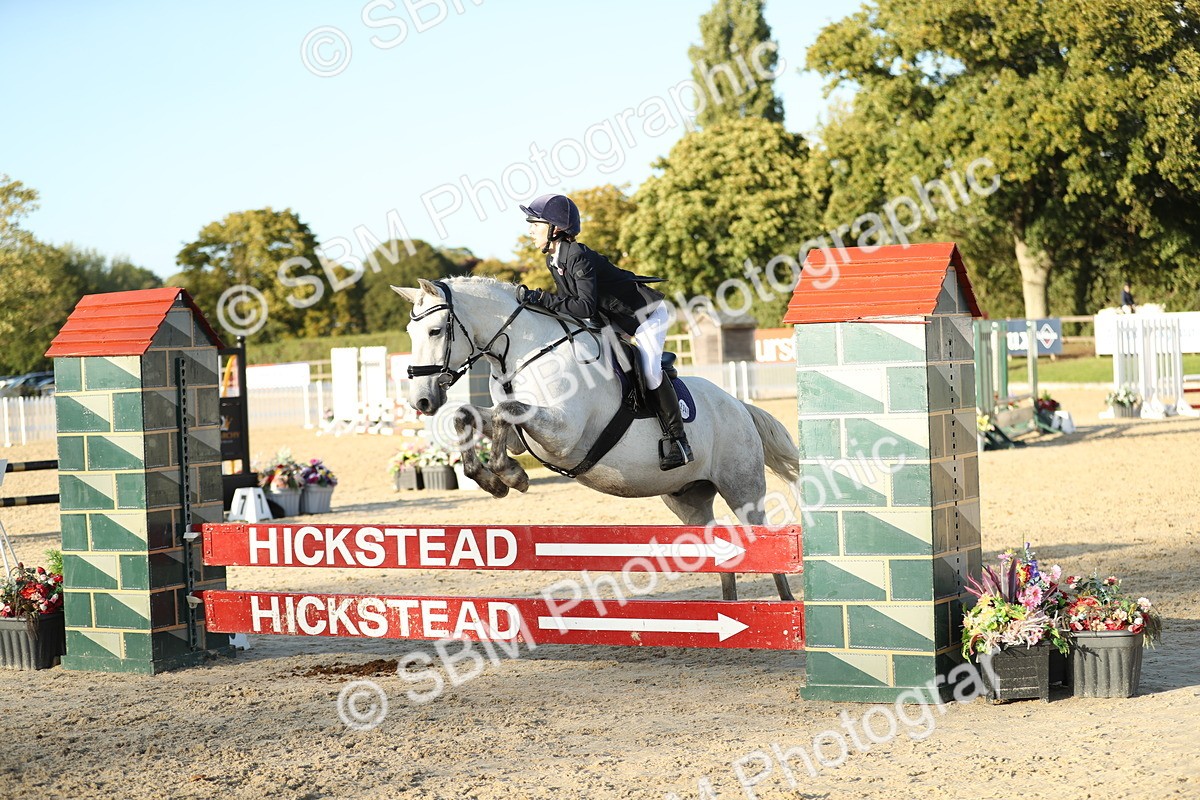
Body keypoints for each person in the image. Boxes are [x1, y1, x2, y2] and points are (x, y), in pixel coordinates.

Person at [516, 193, 694, 470]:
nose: (530, 230)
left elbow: (583, 306)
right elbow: (571, 307)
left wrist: (540, 298)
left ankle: (678, 440)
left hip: (646, 316)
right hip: (614, 320)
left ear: (556, 228)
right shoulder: (554, 260)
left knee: (649, 370)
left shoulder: (577, 256)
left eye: (535, 224)